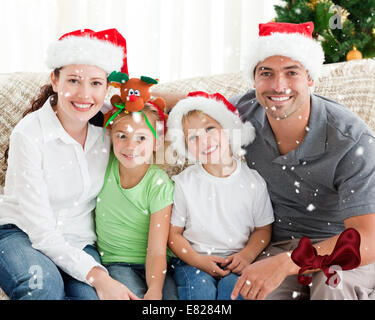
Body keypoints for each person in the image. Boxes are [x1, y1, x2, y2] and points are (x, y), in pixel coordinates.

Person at [229, 22, 375, 300]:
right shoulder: (244, 112)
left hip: (341, 247)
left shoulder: (352, 140)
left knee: (332, 286)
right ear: (255, 80)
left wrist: (290, 262)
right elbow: (194, 107)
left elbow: (368, 237)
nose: (278, 85)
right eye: (266, 73)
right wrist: (133, 100)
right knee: (256, 293)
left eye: (291, 72)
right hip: (281, 244)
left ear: (310, 78)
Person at [0, 28, 141, 300]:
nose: (84, 94)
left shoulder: (111, 129)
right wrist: (99, 276)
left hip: (78, 240)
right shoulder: (28, 135)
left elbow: (149, 105)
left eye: (96, 83)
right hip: (21, 233)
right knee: (42, 287)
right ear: (55, 80)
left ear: (108, 88)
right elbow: (41, 231)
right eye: (74, 80)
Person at [166, 91, 274, 300]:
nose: (204, 141)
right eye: (194, 137)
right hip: (193, 261)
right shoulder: (184, 182)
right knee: (200, 292)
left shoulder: (253, 182)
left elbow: (263, 230)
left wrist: (246, 255)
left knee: (234, 292)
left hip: (237, 260)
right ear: (186, 146)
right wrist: (198, 260)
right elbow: (174, 235)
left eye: (209, 129)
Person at [95, 101, 178, 300]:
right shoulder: (103, 164)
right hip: (116, 263)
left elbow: (157, 249)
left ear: (157, 141)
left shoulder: (159, 184)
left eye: (141, 137)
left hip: (157, 263)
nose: (131, 146)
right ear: (110, 136)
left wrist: (155, 289)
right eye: (122, 135)